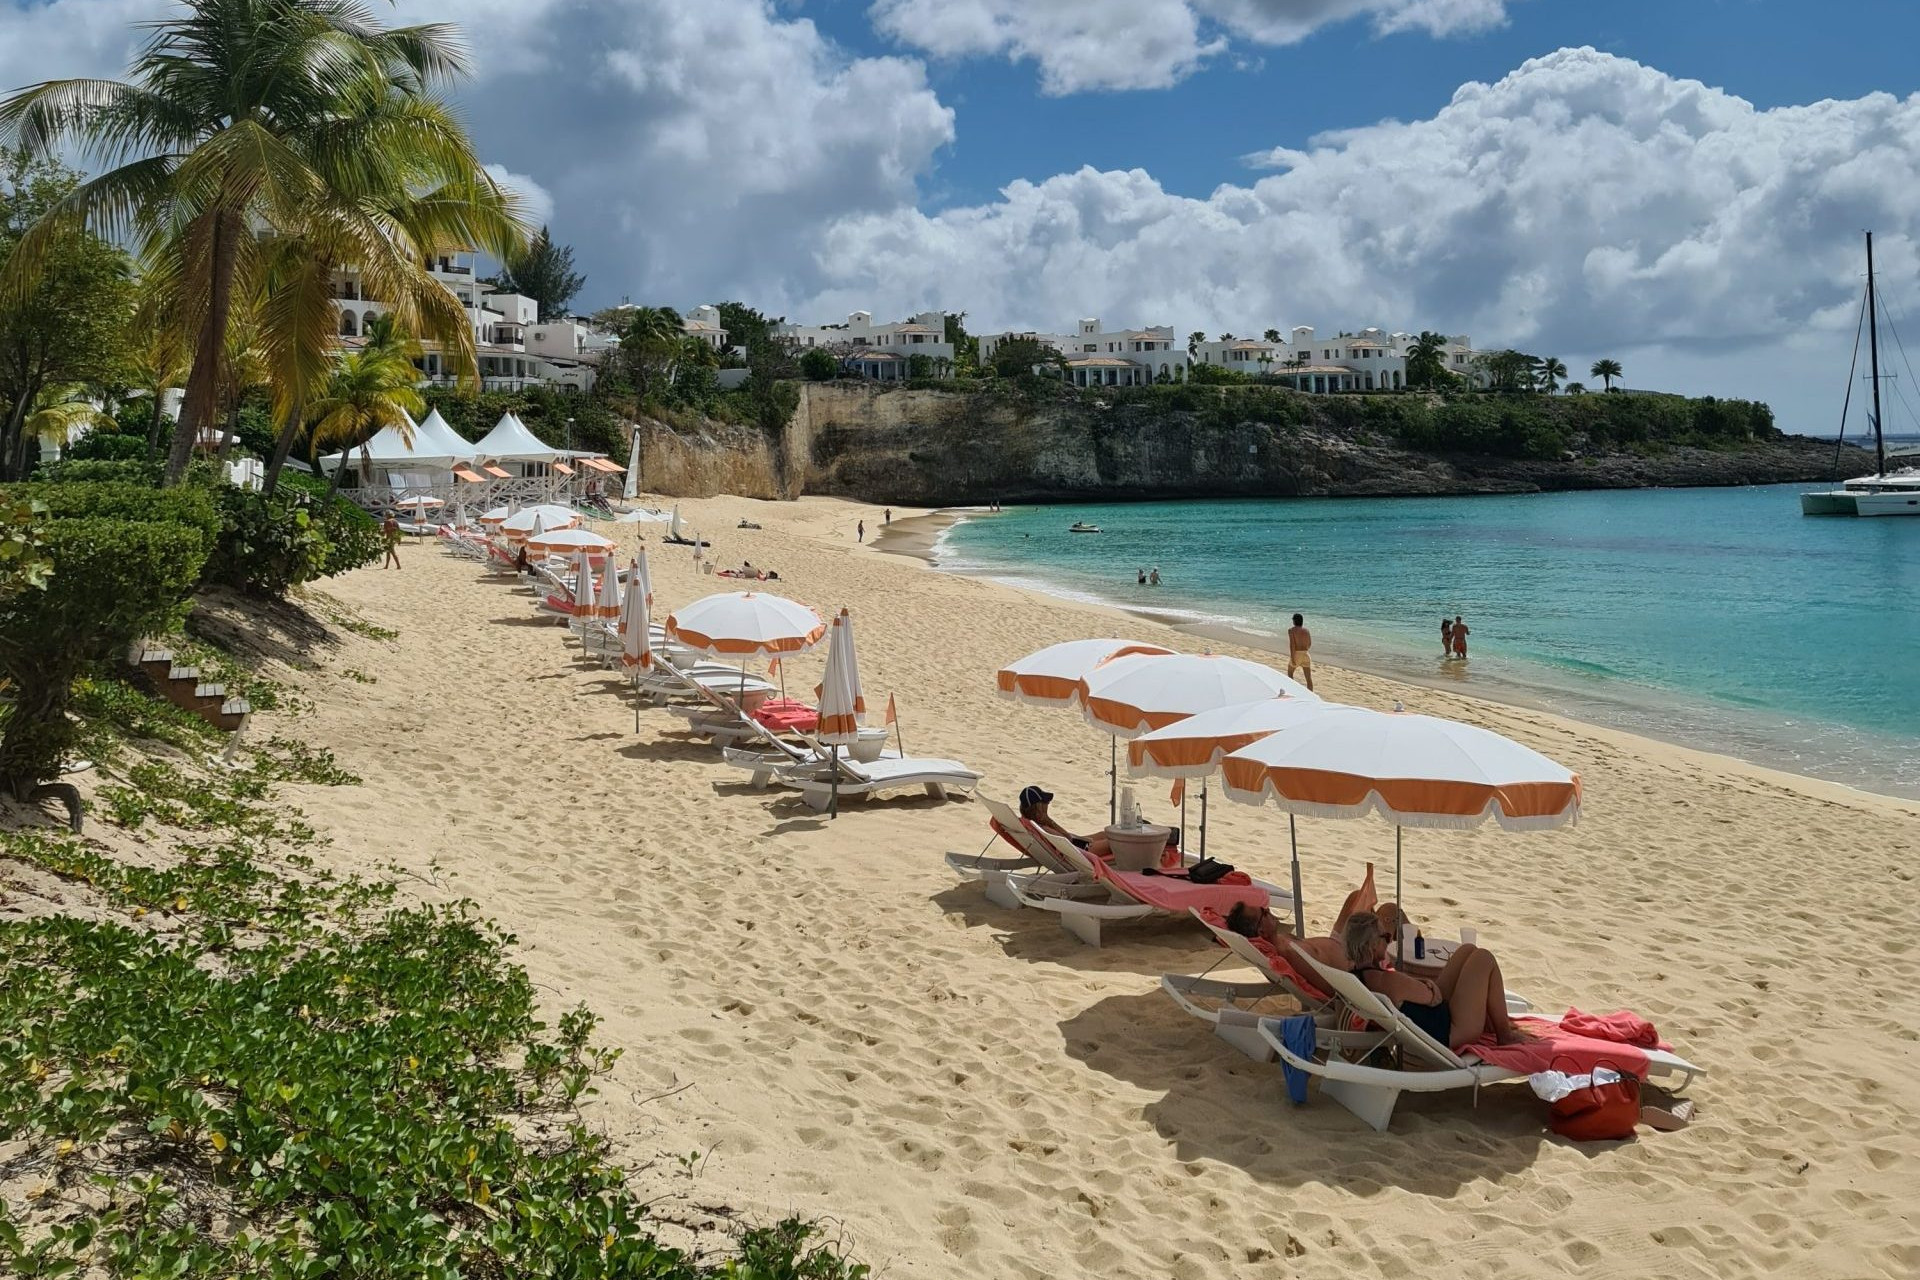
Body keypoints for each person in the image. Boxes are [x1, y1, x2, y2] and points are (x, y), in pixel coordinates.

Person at [1342, 909, 1530, 1049]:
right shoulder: (1389, 981)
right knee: (1484, 958)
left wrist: (1423, 986)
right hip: (1450, 1031)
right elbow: (1434, 998)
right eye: (1386, 936)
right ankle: (1504, 1035)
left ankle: (1492, 1021)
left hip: (1429, 1022)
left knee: (1467, 950)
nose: (1390, 940)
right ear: (1373, 945)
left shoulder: (1353, 977)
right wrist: (1428, 985)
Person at [1018, 785, 1111, 856]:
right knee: (1115, 843)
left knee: (1105, 834)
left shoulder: (1032, 825)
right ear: (1039, 807)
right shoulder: (1044, 829)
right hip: (1081, 851)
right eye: (1046, 802)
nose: (1048, 804)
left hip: (1077, 847)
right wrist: (1050, 821)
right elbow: (1068, 841)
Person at [1286, 613, 1313, 691]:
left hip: (1297, 654)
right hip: (1306, 654)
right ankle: (1311, 696)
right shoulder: (1306, 630)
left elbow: (1292, 645)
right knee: (1308, 679)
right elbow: (1309, 644)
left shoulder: (1291, 630)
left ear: (1294, 621)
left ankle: (1292, 691)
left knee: (1290, 674)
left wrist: (1293, 657)